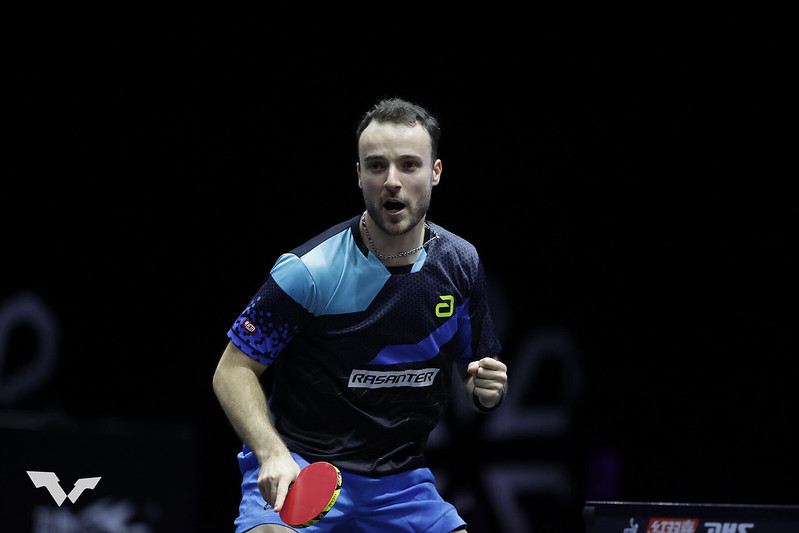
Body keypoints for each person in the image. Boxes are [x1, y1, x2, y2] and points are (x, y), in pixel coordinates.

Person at [213, 97, 508, 533]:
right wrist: (271, 452)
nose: (392, 181)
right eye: (376, 166)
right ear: (359, 175)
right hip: (302, 468)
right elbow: (232, 370)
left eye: (409, 165)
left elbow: (474, 373)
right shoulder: (310, 270)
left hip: (401, 483)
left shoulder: (460, 264)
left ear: (435, 172)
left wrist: (485, 389)